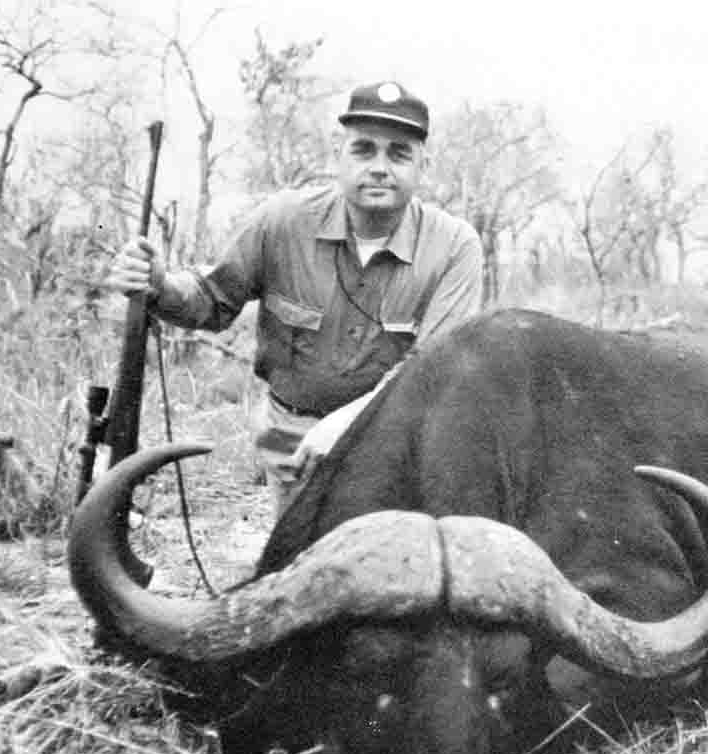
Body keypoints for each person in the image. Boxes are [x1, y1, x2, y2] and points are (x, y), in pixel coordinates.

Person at [104, 81, 484, 515]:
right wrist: (160, 286)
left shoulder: (456, 246)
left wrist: (344, 426)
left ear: (423, 165)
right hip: (290, 434)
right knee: (298, 567)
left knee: (389, 564)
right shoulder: (282, 220)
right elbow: (213, 299)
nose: (380, 167)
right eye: (364, 150)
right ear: (338, 156)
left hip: (396, 440)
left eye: (398, 153)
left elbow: (431, 371)